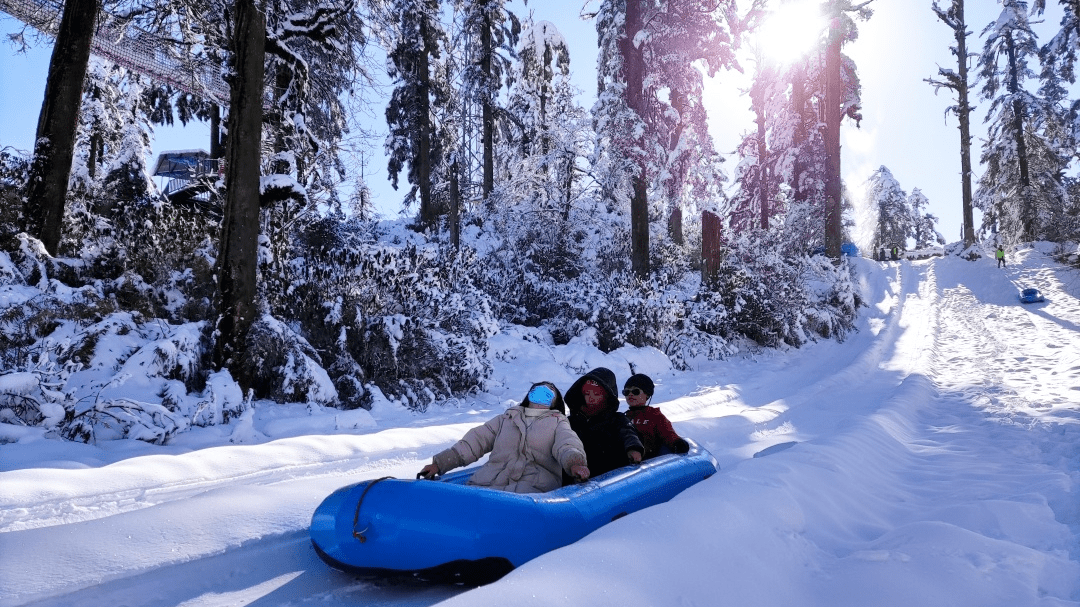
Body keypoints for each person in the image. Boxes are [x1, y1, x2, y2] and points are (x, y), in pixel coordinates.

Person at [417, 382, 590, 493]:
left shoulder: (558, 422)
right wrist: (439, 463)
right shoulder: (506, 419)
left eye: (547, 394)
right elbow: (475, 442)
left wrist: (575, 463)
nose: (540, 397)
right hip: (485, 485)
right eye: (536, 392)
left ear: (554, 401)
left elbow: (567, 443)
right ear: (528, 396)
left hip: (531, 491)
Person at [563, 367, 644, 478]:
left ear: (607, 397)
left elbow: (628, 433)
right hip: (578, 480)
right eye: (587, 393)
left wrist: (633, 448)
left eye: (596, 394)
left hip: (611, 479)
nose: (590, 398)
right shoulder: (572, 421)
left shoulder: (617, 419)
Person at [621, 374, 690, 459]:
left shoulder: (654, 415)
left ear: (647, 394)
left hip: (647, 460)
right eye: (626, 392)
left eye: (635, 391)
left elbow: (667, 433)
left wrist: (677, 442)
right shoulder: (623, 418)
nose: (630, 394)